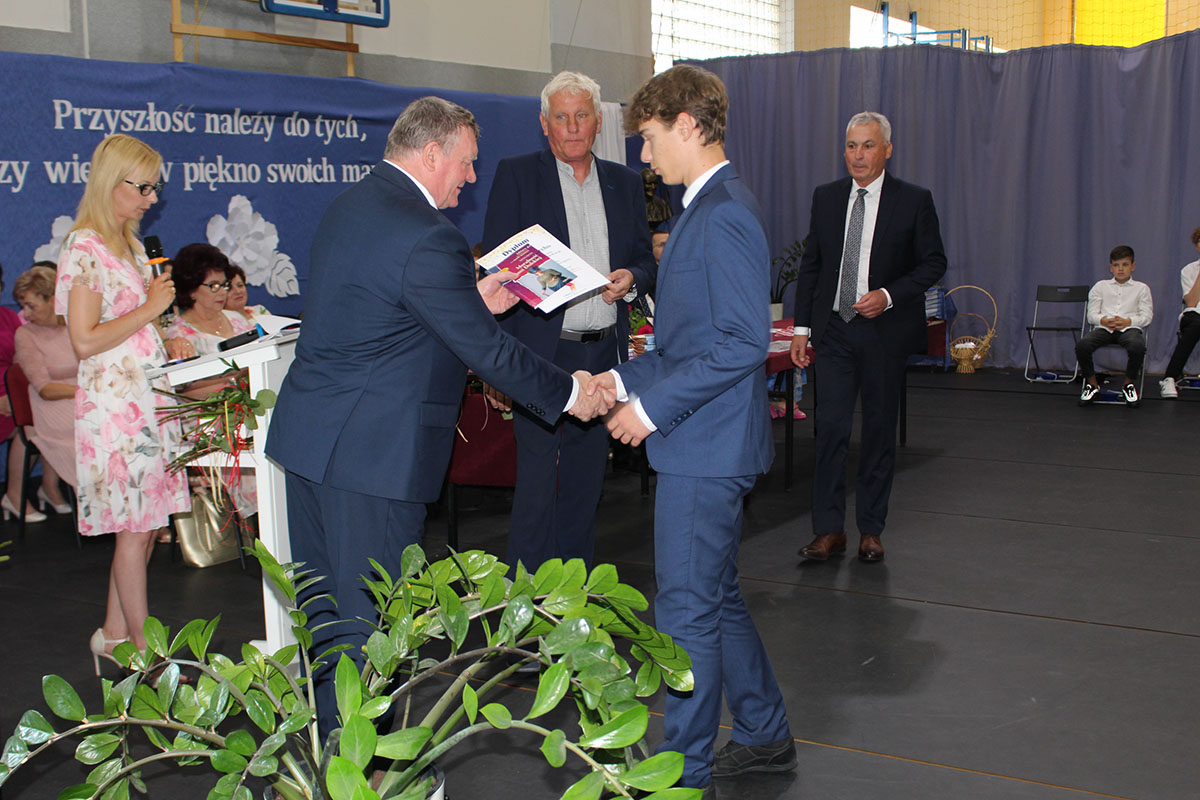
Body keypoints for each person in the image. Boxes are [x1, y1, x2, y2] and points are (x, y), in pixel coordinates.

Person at [265, 96, 607, 738]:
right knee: (372, 631)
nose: (471, 178)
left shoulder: (352, 205)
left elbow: (384, 315)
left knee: (328, 622)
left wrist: (470, 300)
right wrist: (570, 393)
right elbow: (489, 352)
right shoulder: (431, 236)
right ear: (431, 154)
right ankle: (367, 768)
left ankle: (334, 757)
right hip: (373, 459)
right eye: (467, 162)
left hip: (313, 444)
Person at [586, 65, 794, 799]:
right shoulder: (707, 208)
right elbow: (686, 346)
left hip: (705, 449)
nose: (644, 157)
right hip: (707, 443)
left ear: (688, 125)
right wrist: (618, 382)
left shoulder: (722, 213)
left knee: (685, 615)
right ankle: (764, 731)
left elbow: (742, 343)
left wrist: (649, 411)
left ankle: (682, 776)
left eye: (648, 138)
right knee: (714, 599)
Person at [481, 70, 656, 574]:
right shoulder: (517, 175)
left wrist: (633, 277)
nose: (573, 126)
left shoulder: (625, 182)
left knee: (585, 484)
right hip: (541, 353)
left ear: (598, 121)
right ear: (544, 124)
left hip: (602, 354)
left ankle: (572, 595)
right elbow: (497, 274)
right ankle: (523, 600)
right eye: (562, 117)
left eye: (582, 116)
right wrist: (497, 367)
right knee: (536, 485)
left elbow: (645, 259)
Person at [53, 133, 193, 670]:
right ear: (113, 183)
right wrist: (149, 310)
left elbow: (143, 321)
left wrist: (167, 332)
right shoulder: (83, 246)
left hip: (148, 396)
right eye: (144, 187)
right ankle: (145, 654)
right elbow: (84, 340)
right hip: (115, 406)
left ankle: (112, 636)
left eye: (155, 188)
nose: (151, 199)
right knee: (134, 530)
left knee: (147, 525)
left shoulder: (132, 246)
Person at [791, 111, 947, 564]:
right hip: (834, 331)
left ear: (887, 150)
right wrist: (802, 329)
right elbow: (812, 265)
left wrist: (888, 295)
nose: (858, 155)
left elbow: (934, 263)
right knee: (830, 429)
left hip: (884, 333)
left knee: (878, 431)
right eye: (851, 146)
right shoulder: (826, 197)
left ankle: (871, 530)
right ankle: (828, 530)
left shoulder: (914, 200)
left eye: (868, 145)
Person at [164, 243, 259, 516]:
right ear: (192, 289)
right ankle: (257, 521)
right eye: (213, 286)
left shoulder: (238, 320)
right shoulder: (179, 335)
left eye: (224, 284)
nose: (222, 292)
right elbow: (187, 390)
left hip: (249, 408)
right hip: (209, 419)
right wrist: (238, 383)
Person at [12, 264, 77, 514]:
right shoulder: (25, 334)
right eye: (23, 306)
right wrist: (86, 392)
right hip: (52, 407)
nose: (25, 313)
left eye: (31, 305)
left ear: (52, 299)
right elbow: (45, 389)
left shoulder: (74, 325)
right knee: (93, 435)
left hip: (83, 401)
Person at [1076, 245, 1153, 407]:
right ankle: (1092, 384)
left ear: (1133, 266)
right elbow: (1091, 315)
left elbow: (1146, 317)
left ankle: (1128, 384)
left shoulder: (1142, 288)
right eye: (1116, 265)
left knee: (1137, 346)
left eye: (1125, 265)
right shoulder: (1100, 286)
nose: (1120, 269)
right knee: (1082, 345)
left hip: (1129, 329)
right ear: (1111, 268)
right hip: (1104, 328)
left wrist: (1128, 321)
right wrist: (1104, 320)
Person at [0, 261, 46, 522]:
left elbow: (24, 357)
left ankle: (15, 495)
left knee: (36, 425)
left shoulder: (8, 316)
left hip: (13, 392)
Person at [1159, 228, 1200, 398]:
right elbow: (1191, 302)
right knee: (1197, 325)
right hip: (1194, 314)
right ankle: (1169, 378)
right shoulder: (1188, 270)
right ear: (1197, 246)